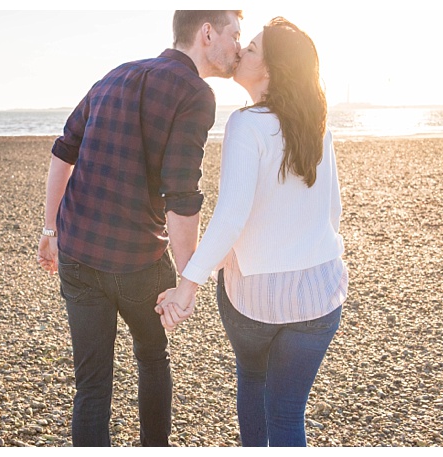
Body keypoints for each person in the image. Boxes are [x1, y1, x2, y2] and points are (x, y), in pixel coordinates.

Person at [36, 10, 243, 447]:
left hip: (76, 249)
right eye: (235, 34)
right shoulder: (196, 92)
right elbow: (181, 192)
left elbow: (63, 150)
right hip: (138, 263)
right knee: (151, 358)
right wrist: (189, 276)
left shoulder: (117, 74)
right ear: (207, 33)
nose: (239, 47)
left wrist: (50, 229)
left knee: (91, 384)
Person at [155, 17, 348, 447]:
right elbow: (330, 213)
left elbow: (231, 215)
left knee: (254, 380)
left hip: (255, 300)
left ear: (271, 72)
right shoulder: (319, 127)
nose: (242, 52)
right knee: (287, 413)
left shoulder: (246, 124)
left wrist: (187, 287)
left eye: (254, 48)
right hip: (320, 294)